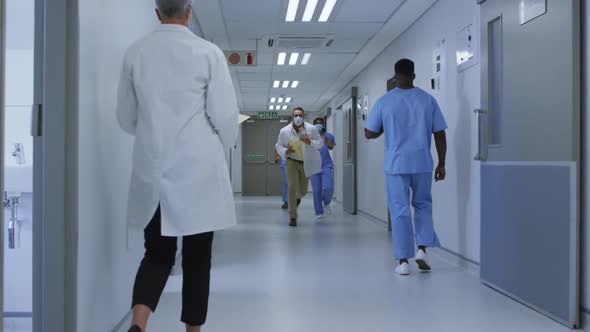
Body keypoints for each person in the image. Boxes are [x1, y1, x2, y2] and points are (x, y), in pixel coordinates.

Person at [116, 1, 239, 331]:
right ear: (189, 13)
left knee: (156, 254)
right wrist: (221, 143)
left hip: (152, 167)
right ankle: (192, 331)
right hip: (198, 171)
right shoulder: (208, 53)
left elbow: (125, 118)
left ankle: (138, 324)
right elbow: (225, 116)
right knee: (198, 258)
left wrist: (152, 132)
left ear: (156, 13)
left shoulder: (135, 53)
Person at [364, 58, 447, 276]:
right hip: (422, 163)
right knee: (423, 205)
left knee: (399, 210)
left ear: (395, 75)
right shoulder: (428, 100)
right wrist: (442, 163)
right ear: (414, 75)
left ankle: (402, 261)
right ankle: (422, 249)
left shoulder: (385, 101)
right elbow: (439, 133)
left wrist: (385, 127)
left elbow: (369, 133)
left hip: (396, 164)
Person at [276, 107, 323, 227]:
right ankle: (293, 217)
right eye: (296, 115)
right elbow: (279, 146)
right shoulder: (284, 131)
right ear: (292, 116)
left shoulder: (311, 129)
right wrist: (286, 151)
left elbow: (320, 142)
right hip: (291, 162)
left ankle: (298, 197)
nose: (298, 117)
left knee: (303, 191)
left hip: (305, 162)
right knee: (291, 187)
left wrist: (309, 142)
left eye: (300, 115)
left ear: (303, 116)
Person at [310, 117, 336, 218]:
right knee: (316, 190)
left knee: (328, 187)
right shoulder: (310, 136)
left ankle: (326, 202)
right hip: (314, 166)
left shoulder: (328, 136)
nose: (318, 124)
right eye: (316, 123)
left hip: (326, 165)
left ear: (323, 125)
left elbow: (331, 147)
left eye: (320, 123)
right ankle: (318, 211)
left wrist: (328, 143)